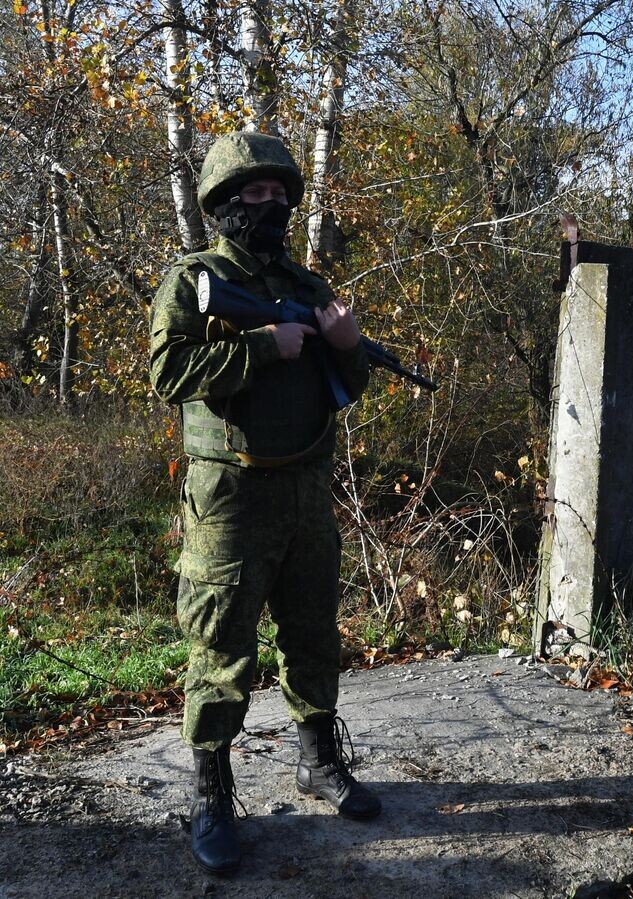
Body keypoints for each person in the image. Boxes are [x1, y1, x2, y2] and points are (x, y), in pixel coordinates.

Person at [149, 131, 382, 877]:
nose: (272, 204)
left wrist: (346, 343)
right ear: (223, 204)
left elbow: (348, 384)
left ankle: (318, 760)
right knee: (222, 647)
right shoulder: (195, 280)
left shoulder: (308, 285)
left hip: (307, 490)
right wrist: (261, 347)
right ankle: (211, 794)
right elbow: (166, 372)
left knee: (313, 632)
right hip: (231, 498)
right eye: (255, 192)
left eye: (281, 193)